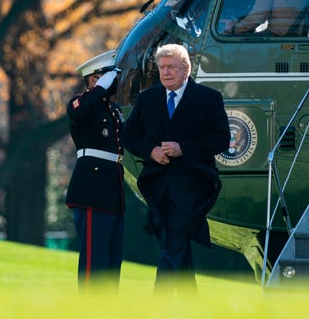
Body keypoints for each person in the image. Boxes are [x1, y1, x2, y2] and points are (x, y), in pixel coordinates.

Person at [122, 44, 230, 290]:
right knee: (172, 239)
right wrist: (151, 151)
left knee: (174, 239)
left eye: (171, 67)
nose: (165, 72)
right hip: (157, 185)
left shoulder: (208, 98)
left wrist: (184, 148)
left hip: (193, 183)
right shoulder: (147, 98)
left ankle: (160, 304)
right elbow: (128, 136)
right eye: (162, 67)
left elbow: (221, 139)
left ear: (186, 69)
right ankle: (187, 303)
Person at [65, 50, 126, 290]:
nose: (115, 81)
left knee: (112, 264)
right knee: (94, 264)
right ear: (94, 78)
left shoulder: (113, 110)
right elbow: (76, 110)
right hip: (92, 190)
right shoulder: (82, 104)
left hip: (112, 190)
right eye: (109, 75)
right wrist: (98, 89)